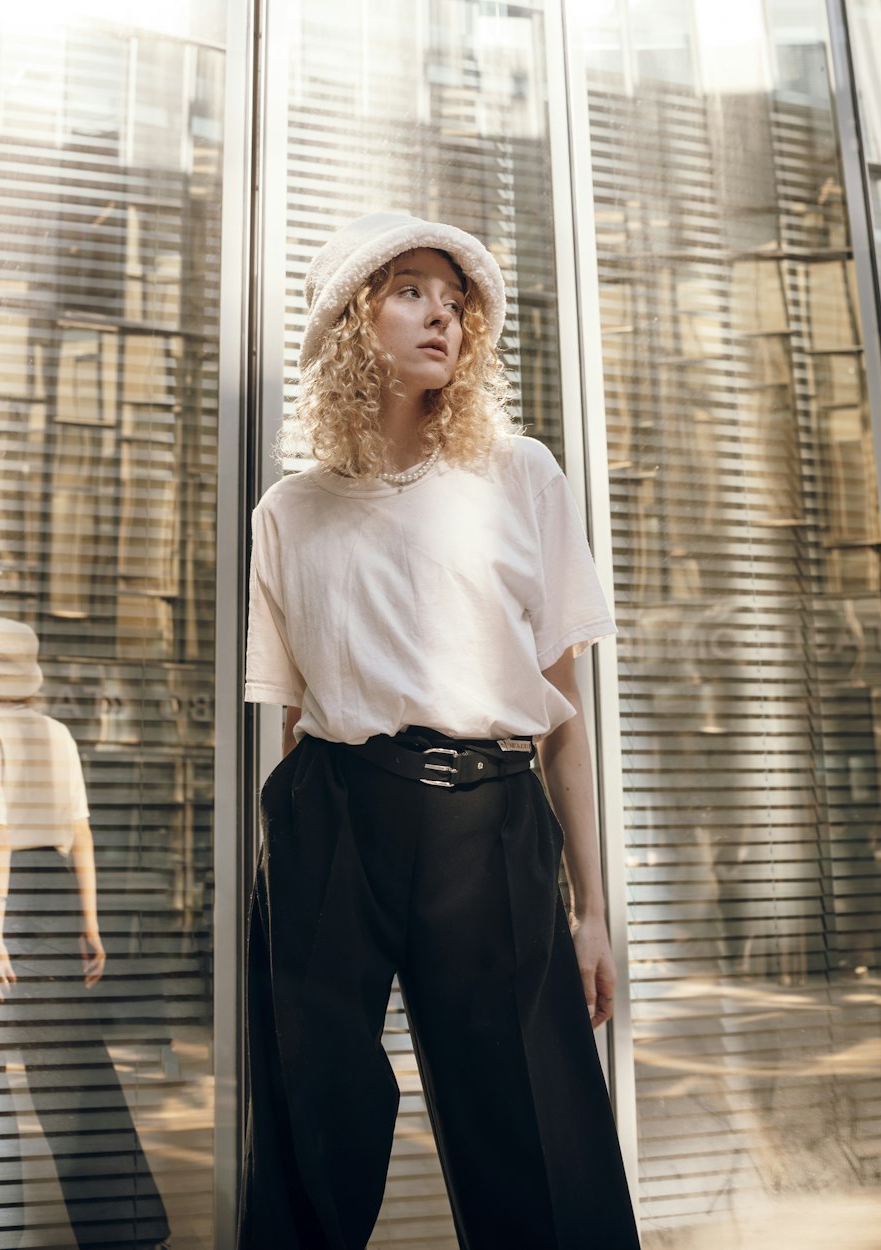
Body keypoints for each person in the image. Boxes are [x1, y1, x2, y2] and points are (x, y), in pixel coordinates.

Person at [241, 212, 640, 1249]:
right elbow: (292, 716)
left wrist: (591, 909)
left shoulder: (519, 474)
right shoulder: (289, 511)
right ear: (349, 319)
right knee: (306, 1125)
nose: (442, 313)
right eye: (411, 288)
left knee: (533, 1128)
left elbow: (561, 719)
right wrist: (286, 867)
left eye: (454, 298)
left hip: (490, 817)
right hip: (331, 812)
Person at [0, 616, 171, 1250]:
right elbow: (81, 834)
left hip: (1, 901)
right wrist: (89, 924)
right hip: (55, 894)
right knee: (73, 1068)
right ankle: (132, 1229)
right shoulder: (56, 733)